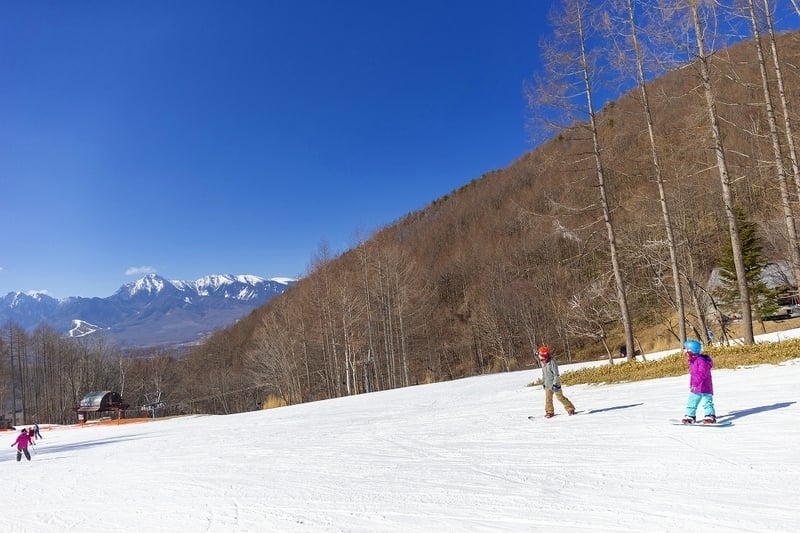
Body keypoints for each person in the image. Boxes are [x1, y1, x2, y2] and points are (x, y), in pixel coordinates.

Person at [681, 339, 716, 424]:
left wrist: (695, 383)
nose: (684, 351)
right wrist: (692, 384)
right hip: (696, 387)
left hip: (705, 386)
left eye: (685, 349)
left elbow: (702, 373)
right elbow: (693, 375)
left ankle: (710, 416)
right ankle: (690, 416)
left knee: (707, 402)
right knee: (692, 401)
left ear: (691, 350)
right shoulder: (693, 360)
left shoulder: (701, 360)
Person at [537, 344, 576, 418]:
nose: (538, 356)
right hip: (547, 384)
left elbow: (556, 374)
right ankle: (549, 411)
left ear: (544, 355)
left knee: (560, 397)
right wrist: (543, 382)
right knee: (548, 399)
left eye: (539, 354)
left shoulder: (552, 362)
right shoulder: (542, 362)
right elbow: (544, 373)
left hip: (555, 384)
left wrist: (555, 384)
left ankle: (570, 408)